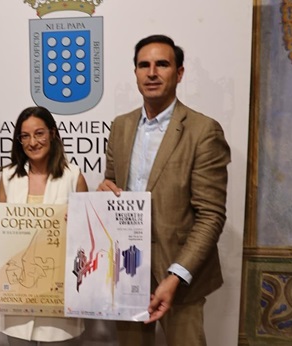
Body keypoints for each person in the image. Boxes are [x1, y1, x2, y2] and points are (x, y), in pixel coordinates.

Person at [97, 35, 231, 346]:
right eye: (144, 65)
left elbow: (210, 215)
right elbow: (112, 188)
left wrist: (176, 276)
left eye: (162, 64)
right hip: (128, 272)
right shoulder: (120, 126)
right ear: (135, 73)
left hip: (180, 279)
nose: (152, 72)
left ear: (179, 73)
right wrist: (104, 192)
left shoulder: (203, 130)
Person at [0, 106, 88, 346]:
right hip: (17, 296)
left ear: (52, 134)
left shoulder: (73, 176)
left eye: (39, 133)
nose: (33, 142)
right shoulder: (8, 176)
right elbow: (3, 231)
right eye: (25, 136)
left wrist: (79, 222)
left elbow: (89, 236)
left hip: (58, 296)